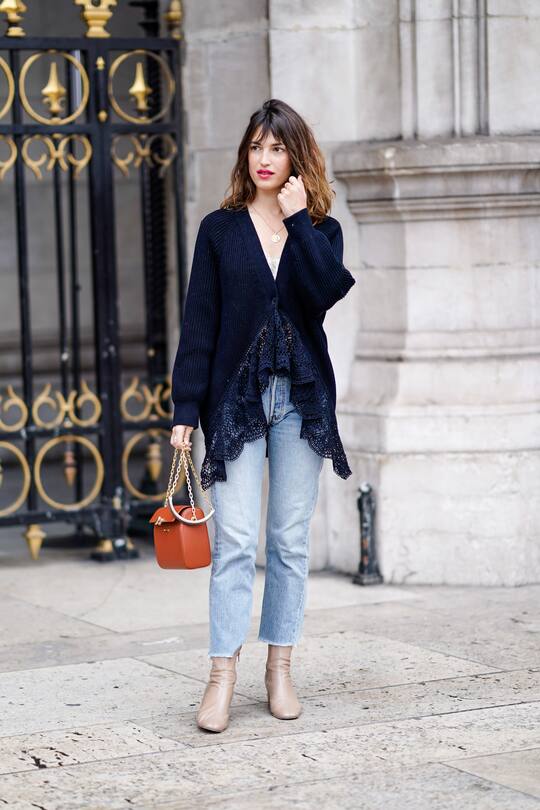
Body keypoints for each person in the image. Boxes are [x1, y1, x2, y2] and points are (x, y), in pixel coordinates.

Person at [170, 98, 356, 732]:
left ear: (295, 157)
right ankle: (222, 676)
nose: (265, 160)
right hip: (236, 400)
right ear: (245, 156)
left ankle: (280, 669)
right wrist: (185, 408)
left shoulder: (321, 230)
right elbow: (200, 324)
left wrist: (298, 221)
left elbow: (325, 292)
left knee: (288, 541)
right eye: (256, 148)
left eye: (277, 149)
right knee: (236, 542)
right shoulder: (219, 230)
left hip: (301, 402)